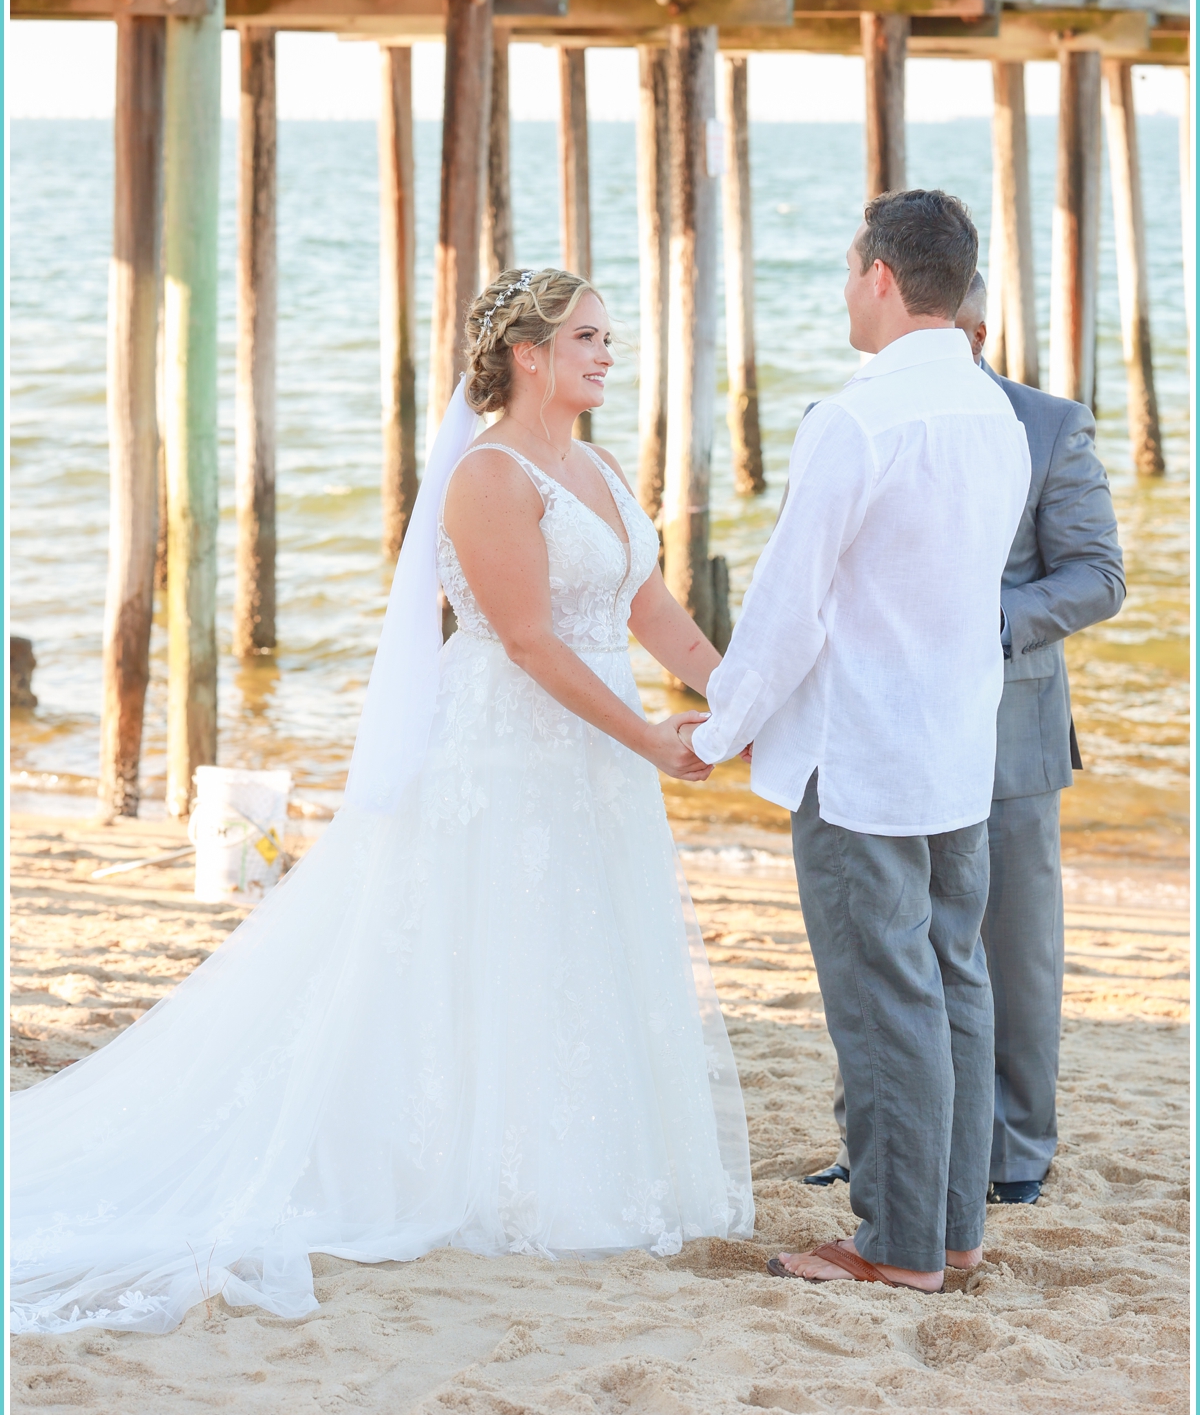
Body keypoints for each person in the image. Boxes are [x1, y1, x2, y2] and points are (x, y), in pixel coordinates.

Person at [11, 267, 753, 1337]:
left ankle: (578, 1162)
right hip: (510, 754)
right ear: (528, 355)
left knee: (585, 949)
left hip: (591, 757)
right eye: (586, 336)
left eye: (608, 336)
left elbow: (652, 612)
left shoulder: (590, 466)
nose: (606, 352)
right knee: (490, 952)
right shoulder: (490, 476)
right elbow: (533, 641)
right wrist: (646, 735)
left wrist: (737, 703)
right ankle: (477, 1168)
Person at [686, 190, 1031, 1292]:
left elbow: (791, 609)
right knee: (951, 984)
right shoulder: (999, 417)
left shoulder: (858, 421)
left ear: (882, 276)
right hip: (955, 750)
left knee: (886, 1001)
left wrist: (719, 730)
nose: (844, 291)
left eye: (848, 271)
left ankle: (893, 1247)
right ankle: (952, 1232)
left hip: (864, 757)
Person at [806, 271, 1125, 1205]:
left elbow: (1098, 576)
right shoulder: (868, 416)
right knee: (885, 949)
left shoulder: (1049, 424)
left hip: (1010, 734)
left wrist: (970, 617)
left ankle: (1015, 1157)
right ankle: (880, 1150)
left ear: (974, 327)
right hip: (887, 728)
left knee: (1011, 956)